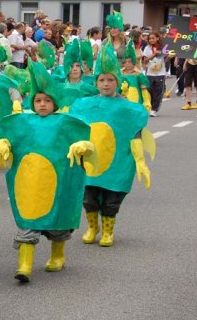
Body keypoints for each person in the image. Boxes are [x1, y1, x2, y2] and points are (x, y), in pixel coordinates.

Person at [0, 61, 95, 282]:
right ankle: (24, 266)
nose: (42, 104)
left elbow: (88, 143)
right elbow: (9, 138)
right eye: (38, 100)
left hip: (59, 182)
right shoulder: (23, 122)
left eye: (47, 100)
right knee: (27, 222)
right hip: (30, 182)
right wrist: (2, 145)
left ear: (54, 103)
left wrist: (82, 146)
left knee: (58, 224)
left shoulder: (66, 122)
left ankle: (57, 256)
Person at [70, 44, 152, 248]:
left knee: (111, 199)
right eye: (101, 80)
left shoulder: (129, 109)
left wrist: (140, 161)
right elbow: (73, 129)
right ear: (96, 82)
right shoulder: (84, 104)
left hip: (118, 162)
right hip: (90, 161)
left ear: (117, 81)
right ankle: (92, 227)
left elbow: (135, 134)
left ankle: (108, 231)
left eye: (110, 80)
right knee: (88, 197)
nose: (106, 84)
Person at [142, 31, 166, 117]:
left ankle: (154, 109)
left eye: (153, 38)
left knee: (158, 92)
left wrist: (169, 57)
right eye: (150, 39)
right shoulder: (147, 48)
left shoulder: (162, 48)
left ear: (157, 38)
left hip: (160, 73)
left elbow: (164, 60)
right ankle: (150, 106)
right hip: (150, 73)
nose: (151, 40)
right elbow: (145, 60)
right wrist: (153, 54)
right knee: (149, 91)